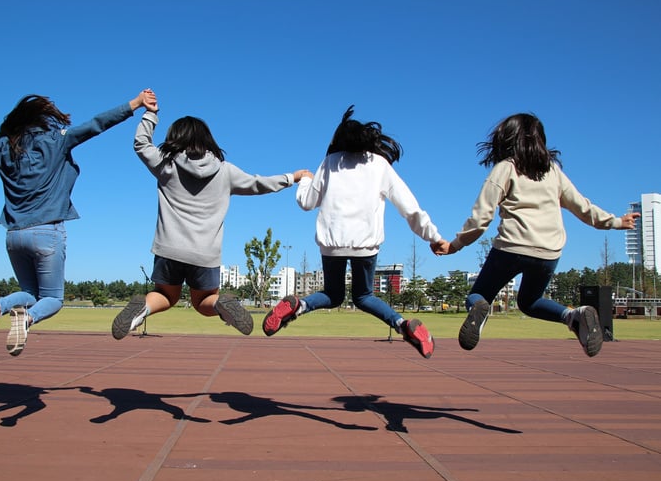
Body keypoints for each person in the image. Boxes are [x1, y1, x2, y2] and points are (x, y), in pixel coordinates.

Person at [0, 90, 152, 356]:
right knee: (53, 299)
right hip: (47, 232)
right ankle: (27, 319)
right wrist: (135, 104)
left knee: (30, 293)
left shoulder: (2, 148)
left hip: (14, 235)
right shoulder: (57, 141)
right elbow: (97, 124)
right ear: (41, 120)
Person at [432, 112, 639, 357]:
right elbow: (583, 208)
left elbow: (481, 219)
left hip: (511, 248)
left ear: (507, 139)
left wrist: (455, 245)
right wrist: (616, 221)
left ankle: (479, 308)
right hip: (548, 253)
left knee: (479, 295)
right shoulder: (553, 172)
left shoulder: (505, 168)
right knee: (529, 302)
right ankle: (574, 315)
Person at [111, 90, 311, 339]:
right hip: (205, 254)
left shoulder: (167, 164)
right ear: (207, 140)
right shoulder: (225, 171)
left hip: (168, 249)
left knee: (165, 295)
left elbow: (141, 144)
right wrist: (292, 177)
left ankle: (143, 309)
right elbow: (259, 184)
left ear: (175, 138)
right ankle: (220, 305)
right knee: (204, 301)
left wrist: (150, 114)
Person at [261, 106, 444, 359]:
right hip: (365, 246)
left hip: (332, 243)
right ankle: (403, 325)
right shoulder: (379, 165)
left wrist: (304, 178)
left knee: (332, 294)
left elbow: (306, 202)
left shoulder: (330, 163)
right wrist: (433, 237)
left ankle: (298, 306)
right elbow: (409, 207)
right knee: (364, 295)